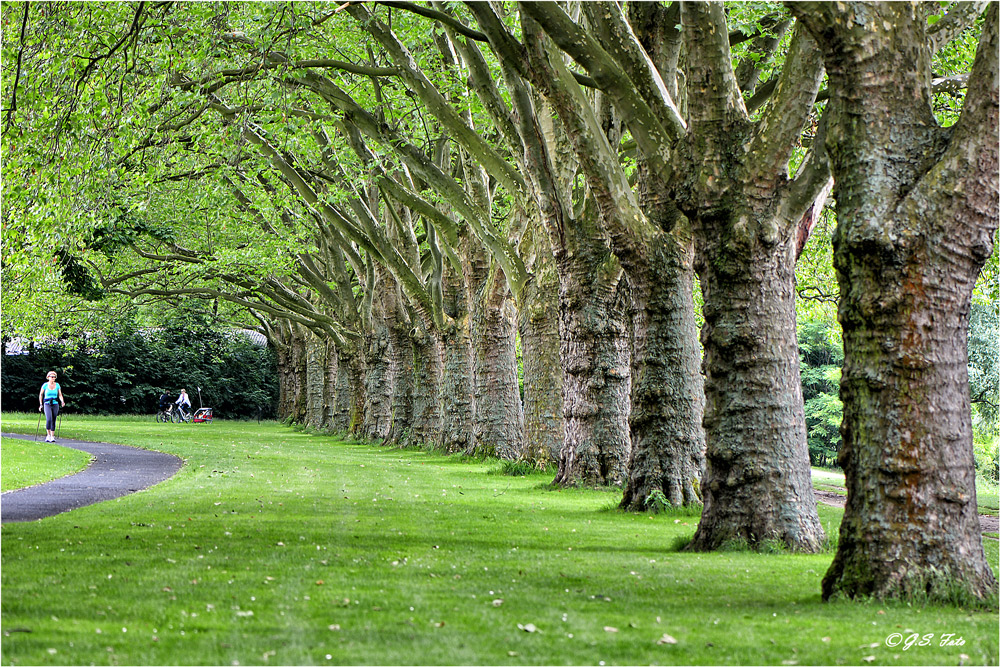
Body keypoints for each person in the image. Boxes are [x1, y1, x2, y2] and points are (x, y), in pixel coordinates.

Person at [38, 371, 66, 442]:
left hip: (55, 403)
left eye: (54, 377)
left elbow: (60, 394)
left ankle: (52, 436)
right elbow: (41, 394)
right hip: (47, 403)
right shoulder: (45, 385)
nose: (53, 378)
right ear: (48, 377)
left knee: (54, 419)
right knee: (49, 419)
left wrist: (62, 401)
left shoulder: (57, 385)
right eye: (51, 376)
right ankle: (48, 435)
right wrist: (41, 404)